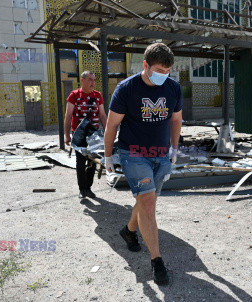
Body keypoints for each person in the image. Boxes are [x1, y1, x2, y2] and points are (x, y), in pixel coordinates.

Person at [103, 43, 182, 285]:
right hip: (133, 153)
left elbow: (176, 120)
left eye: (168, 70)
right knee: (147, 201)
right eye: (159, 69)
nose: (164, 75)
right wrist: (108, 156)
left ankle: (129, 231)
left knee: (145, 199)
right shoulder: (126, 89)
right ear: (145, 65)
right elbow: (112, 125)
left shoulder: (173, 88)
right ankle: (157, 261)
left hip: (160, 155)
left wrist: (175, 148)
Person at [64, 71, 107, 198]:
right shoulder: (74, 95)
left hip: (94, 134)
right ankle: (82, 189)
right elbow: (67, 116)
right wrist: (67, 135)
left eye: (94, 80)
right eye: (89, 79)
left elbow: (103, 116)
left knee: (93, 161)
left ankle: (88, 187)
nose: (93, 83)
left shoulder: (97, 96)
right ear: (82, 80)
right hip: (78, 134)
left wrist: (108, 134)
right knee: (81, 161)